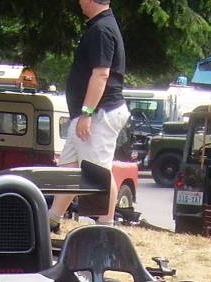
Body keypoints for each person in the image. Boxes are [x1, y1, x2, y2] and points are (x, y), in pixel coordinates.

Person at [48, 0, 128, 229]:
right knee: (69, 168)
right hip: (87, 114)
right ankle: (52, 219)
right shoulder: (99, 26)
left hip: (98, 113)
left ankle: (106, 227)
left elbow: (102, 75)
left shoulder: (102, 29)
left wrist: (87, 112)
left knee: (98, 173)